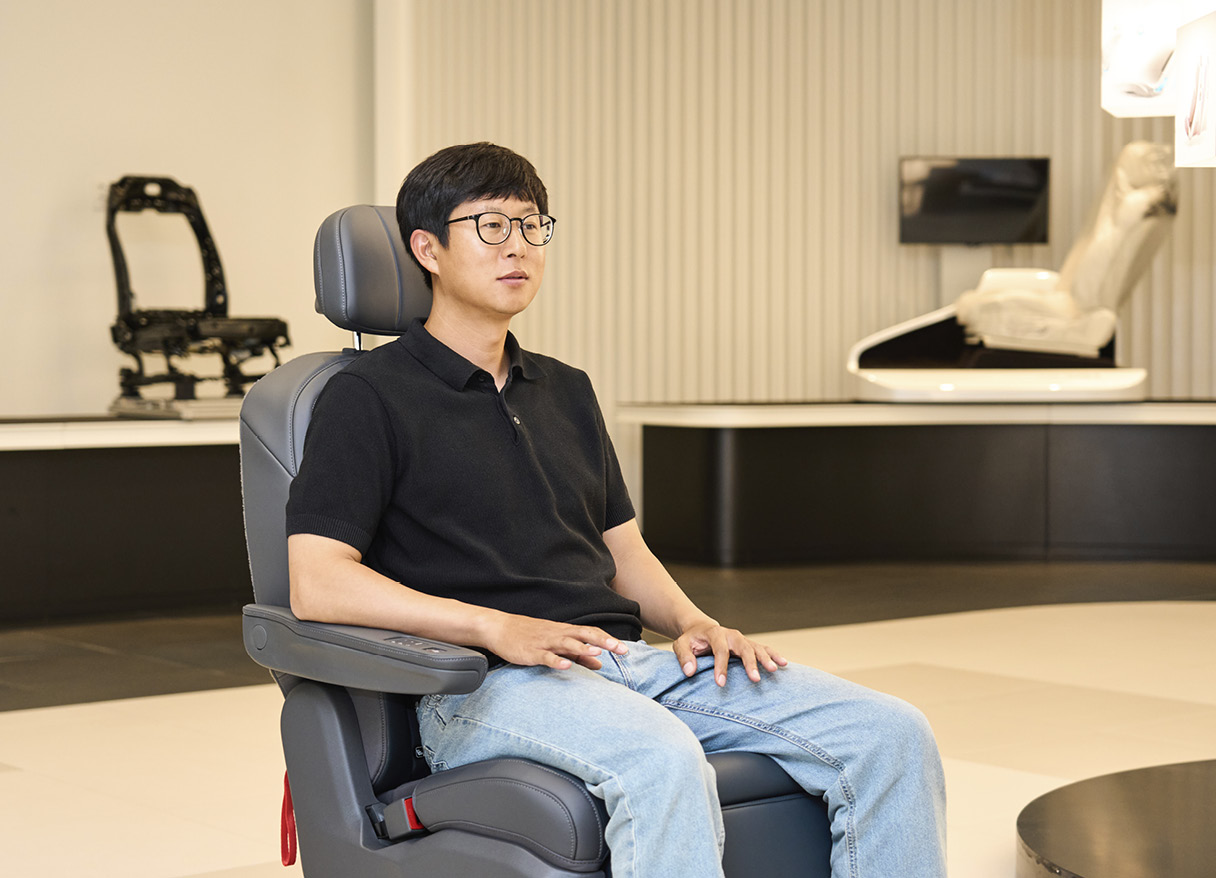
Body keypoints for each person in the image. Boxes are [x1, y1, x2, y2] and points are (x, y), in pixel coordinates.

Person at [285, 142, 947, 878]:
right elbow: (318, 581)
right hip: (481, 685)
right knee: (659, 757)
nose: (520, 248)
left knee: (891, 734)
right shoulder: (367, 397)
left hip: (621, 661)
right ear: (427, 248)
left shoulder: (565, 389)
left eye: (533, 226)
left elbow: (622, 553)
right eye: (492, 226)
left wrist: (696, 624)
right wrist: (494, 628)